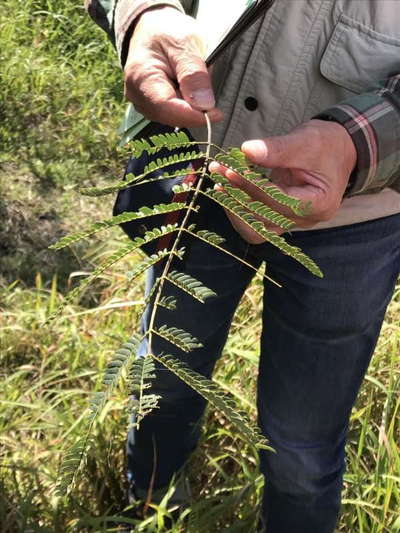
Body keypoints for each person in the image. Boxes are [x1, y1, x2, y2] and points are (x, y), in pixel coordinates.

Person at [85, 1, 400, 531]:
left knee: (302, 439)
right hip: (195, 174)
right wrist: (141, 13)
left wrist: (361, 143)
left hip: (358, 217)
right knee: (166, 375)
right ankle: (149, 505)